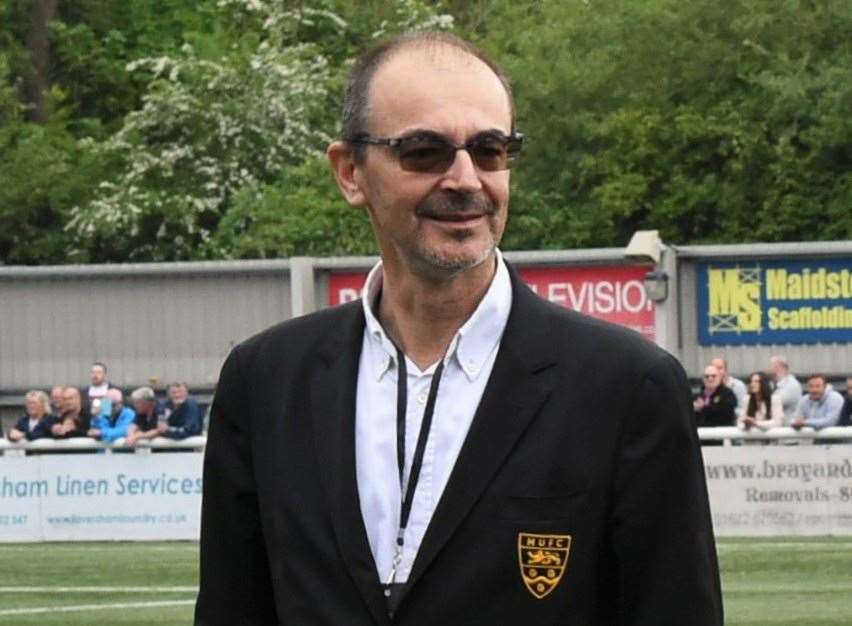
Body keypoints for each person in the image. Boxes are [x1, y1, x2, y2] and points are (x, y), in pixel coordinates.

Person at [195, 31, 722, 626]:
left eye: (491, 150)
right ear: (350, 172)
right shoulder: (266, 380)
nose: (466, 179)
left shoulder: (627, 386)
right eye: (424, 151)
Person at [693, 364, 738, 428]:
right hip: (702, 433)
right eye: (707, 376)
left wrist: (704, 408)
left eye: (713, 376)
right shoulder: (697, 396)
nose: (710, 378)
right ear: (703, 379)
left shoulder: (727, 393)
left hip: (722, 433)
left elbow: (726, 414)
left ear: (720, 377)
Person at [768, 355, 802, 425]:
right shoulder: (773, 384)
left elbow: (774, 402)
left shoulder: (792, 385)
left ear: (784, 368)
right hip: (777, 428)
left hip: (789, 429)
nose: (770, 370)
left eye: (775, 367)